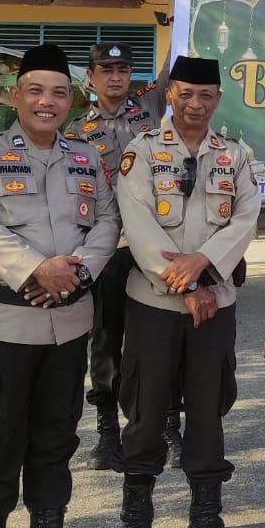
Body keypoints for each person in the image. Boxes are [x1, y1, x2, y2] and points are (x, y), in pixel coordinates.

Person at [0, 43, 119, 528]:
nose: (48, 102)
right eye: (37, 91)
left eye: (59, 92)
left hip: (69, 325)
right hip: (7, 326)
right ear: (15, 96)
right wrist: (36, 269)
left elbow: (106, 222)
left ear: (73, 100)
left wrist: (78, 273)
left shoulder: (85, 157)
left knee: (54, 437)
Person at [110, 55, 261, 528]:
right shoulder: (143, 152)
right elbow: (137, 220)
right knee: (146, 412)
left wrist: (203, 269)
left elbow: (245, 220)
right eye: (185, 94)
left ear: (217, 99)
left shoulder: (235, 156)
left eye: (206, 96)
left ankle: (206, 521)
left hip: (214, 305)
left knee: (207, 410)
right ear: (168, 95)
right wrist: (185, 282)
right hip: (153, 303)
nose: (195, 104)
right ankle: (135, 526)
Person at [72, 42, 180, 471]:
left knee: (163, 336)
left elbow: (177, 59)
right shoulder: (76, 128)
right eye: (106, 69)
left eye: (123, 69)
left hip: (153, 241)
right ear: (91, 76)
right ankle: (107, 433)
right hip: (107, 247)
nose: (115, 76)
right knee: (105, 340)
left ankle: (170, 427)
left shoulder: (151, 106)